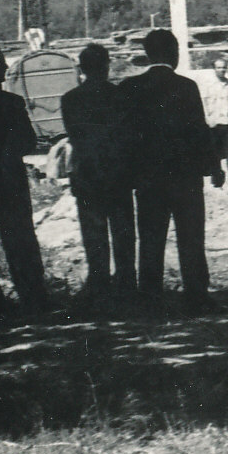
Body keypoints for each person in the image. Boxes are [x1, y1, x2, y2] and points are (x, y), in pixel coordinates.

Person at [122, 29, 224, 313]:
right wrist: (214, 167)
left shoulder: (130, 87)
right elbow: (200, 131)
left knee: (151, 238)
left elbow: (124, 136)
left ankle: (151, 298)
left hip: (148, 179)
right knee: (191, 237)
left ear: (147, 53)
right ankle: (196, 296)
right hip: (185, 177)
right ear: (174, 53)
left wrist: (128, 174)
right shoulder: (186, 86)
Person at [59, 43, 136, 300]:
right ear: (107, 65)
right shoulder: (121, 96)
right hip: (118, 173)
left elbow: (76, 137)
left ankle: (99, 285)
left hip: (87, 173)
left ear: (81, 69)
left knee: (94, 234)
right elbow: (127, 136)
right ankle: (126, 284)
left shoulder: (69, 99)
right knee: (123, 232)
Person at [0, 40, 52, 324]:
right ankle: (34, 297)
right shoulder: (12, 104)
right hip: (10, 181)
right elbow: (28, 142)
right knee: (21, 240)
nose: (4, 68)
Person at [188, 52, 228, 183]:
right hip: (213, 122)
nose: (221, 70)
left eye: (223, 67)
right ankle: (216, 177)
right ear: (214, 69)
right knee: (214, 151)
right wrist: (206, 119)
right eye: (219, 68)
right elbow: (203, 103)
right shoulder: (208, 85)